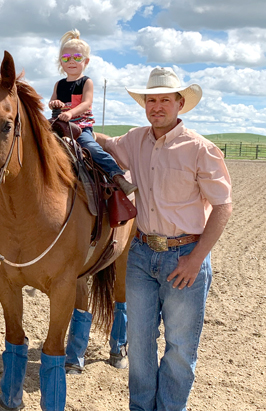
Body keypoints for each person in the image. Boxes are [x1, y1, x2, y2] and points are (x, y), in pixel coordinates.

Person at [94, 67, 233, 411]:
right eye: (151, 100)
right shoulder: (135, 139)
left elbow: (223, 207)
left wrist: (196, 259)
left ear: (180, 103)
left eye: (165, 100)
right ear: (145, 104)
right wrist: (71, 126)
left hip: (184, 257)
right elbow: (105, 145)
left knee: (180, 349)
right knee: (139, 346)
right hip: (141, 254)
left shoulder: (201, 149)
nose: (157, 106)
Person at [48, 29, 137, 195]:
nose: (71, 61)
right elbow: (52, 101)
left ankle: (117, 175)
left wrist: (70, 113)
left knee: (91, 148)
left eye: (77, 58)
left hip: (80, 126)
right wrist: (55, 103)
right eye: (66, 58)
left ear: (86, 61)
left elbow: (86, 103)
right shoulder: (58, 84)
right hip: (60, 123)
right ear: (61, 62)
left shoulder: (86, 82)